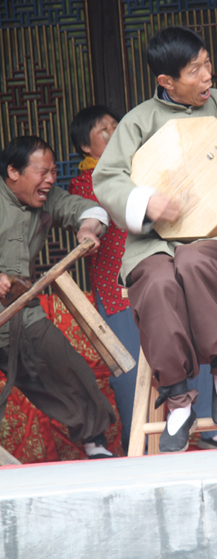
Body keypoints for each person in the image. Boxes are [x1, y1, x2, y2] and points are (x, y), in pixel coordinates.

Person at [92, 26, 217, 453]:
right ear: (166, 81)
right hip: (154, 242)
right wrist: (145, 201)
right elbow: (108, 179)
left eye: (207, 64)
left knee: (194, 261)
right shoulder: (139, 121)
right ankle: (176, 396)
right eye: (194, 70)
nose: (207, 75)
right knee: (157, 282)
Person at [0, 135, 117, 459]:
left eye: (53, 171)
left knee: (68, 369)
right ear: (13, 172)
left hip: (22, 311)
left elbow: (87, 209)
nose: (51, 179)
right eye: (42, 172)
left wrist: (87, 228)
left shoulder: (47, 199)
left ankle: (95, 444)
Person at [69, 106, 140, 455]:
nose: (115, 134)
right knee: (130, 373)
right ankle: (137, 447)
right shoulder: (84, 183)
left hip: (150, 281)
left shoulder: (137, 169)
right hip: (116, 291)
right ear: (86, 146)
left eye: (117, 126)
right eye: (104, 130)